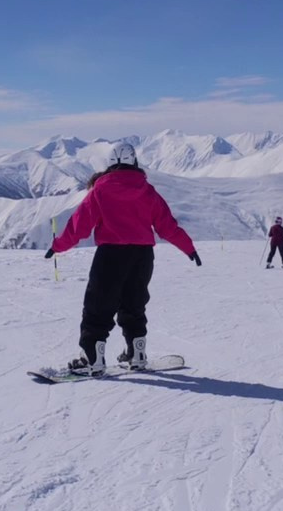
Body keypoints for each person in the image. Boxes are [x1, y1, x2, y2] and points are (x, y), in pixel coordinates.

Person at [45, 140, 200, 374]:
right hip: (142, 257)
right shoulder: (147, 191)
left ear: (110, 164)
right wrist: (189, 248)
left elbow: (79, 226)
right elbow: (167, 225)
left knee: (98, 305)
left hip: (111, 255)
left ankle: (92, 358)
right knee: (134, 304)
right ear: (134, 162)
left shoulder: (100, 190)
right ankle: (136, 354)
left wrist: (58, 245)